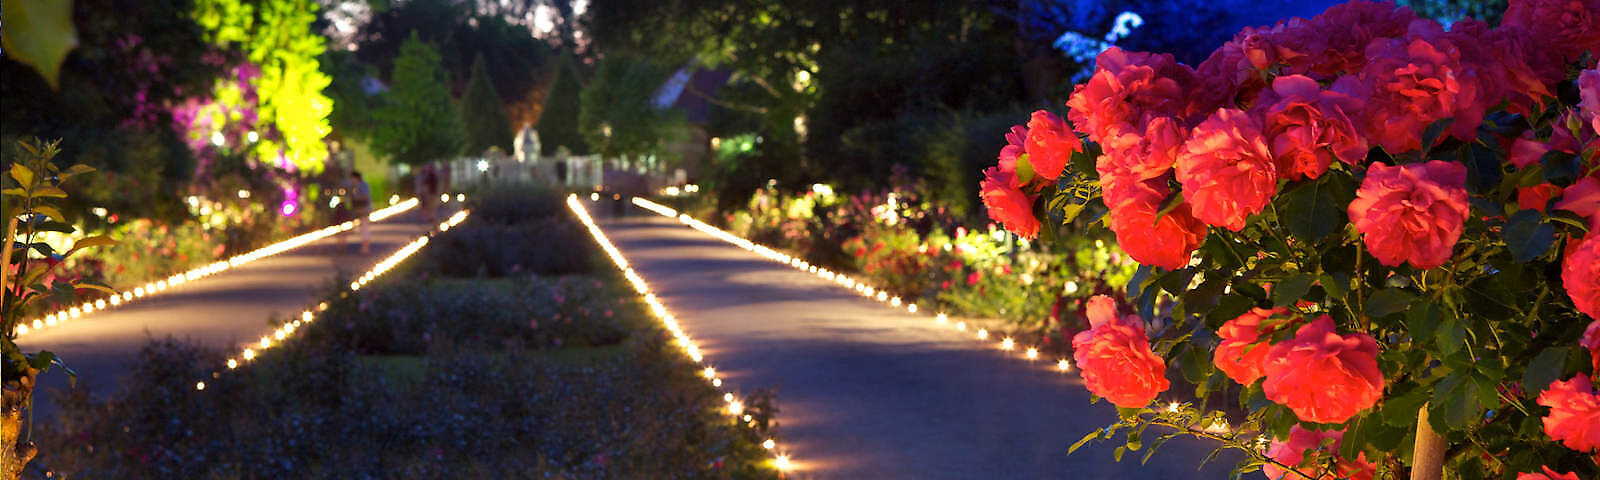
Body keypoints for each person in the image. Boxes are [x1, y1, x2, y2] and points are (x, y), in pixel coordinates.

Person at [348, 171, 372, 253]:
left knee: (364, 228)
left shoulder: (363, 186)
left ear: (356, 177)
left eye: (352, 178)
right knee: (363, 228)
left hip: (364, 208)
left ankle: (366, 247)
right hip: (360, 209)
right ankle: (365, 246)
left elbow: (365, 196)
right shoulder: (355, 186)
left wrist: (355, 198)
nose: (351, 180)